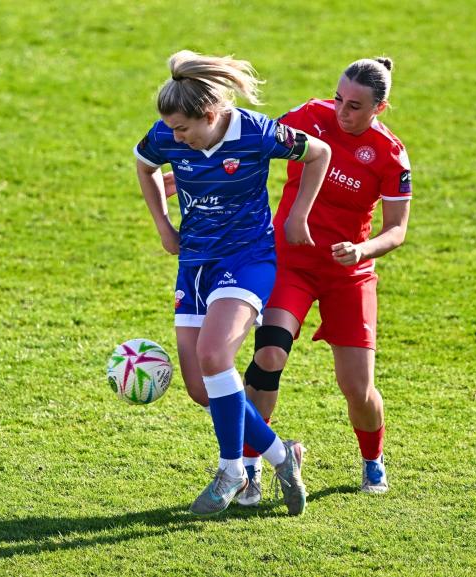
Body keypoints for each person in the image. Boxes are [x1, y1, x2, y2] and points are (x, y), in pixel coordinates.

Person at [134, 50, 331, 516]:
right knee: (202, 388)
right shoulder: (169, 133)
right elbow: (144, 165)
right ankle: (283, 455)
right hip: (195, 263)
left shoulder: (257, 132)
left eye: (182, 129)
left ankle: (231, 470)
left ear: (210, 115)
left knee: (214, 355)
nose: (174, 137)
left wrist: (298, 215)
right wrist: (164, 226)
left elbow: (318, 152)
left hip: (248, 259)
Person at [236, 57, 411, 503]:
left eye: (355, 106)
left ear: (380, 108)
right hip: (291, 261)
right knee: (270, 355)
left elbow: (397, 230)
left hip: (348, 273)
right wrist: (183, 178)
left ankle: (373, 460)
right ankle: (251, 466)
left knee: (357, 386)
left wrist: (361, 250)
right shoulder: (311, 116)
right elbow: (250, 144)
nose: (341, 111)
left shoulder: (390, 154)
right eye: (338, 98)